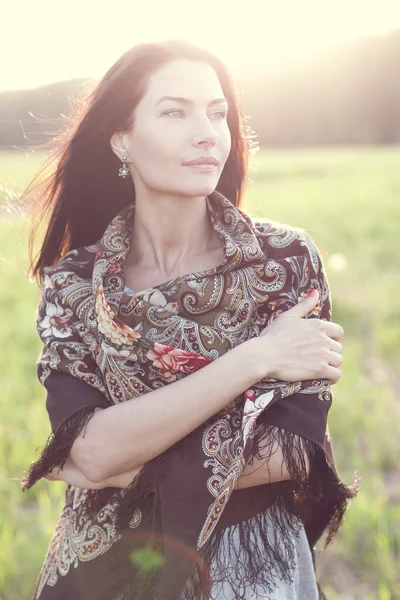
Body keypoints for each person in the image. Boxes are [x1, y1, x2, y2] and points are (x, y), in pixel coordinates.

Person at [21, 40, 357, 600]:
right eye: (175, 112)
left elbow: (289, 449)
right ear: (121, 138)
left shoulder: (283, 261)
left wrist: (116, 461)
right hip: (104, 562)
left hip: (251, 565)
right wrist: (255, 358)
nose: (207, 132)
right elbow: (87, 447)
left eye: (217, 112)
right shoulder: (73, 283)